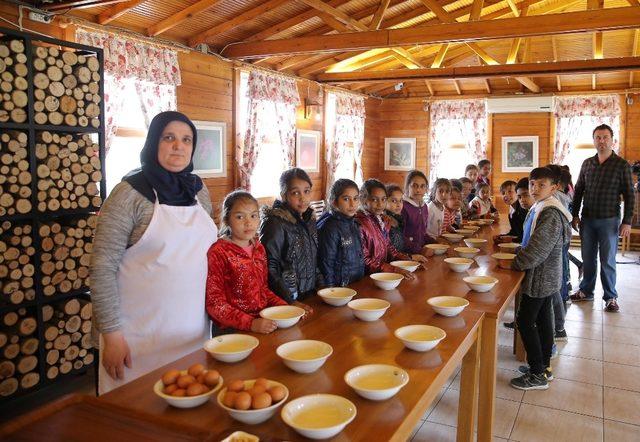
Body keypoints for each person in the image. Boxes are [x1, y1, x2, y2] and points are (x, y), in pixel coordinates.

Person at [91, 111, 218, 394]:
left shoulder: (198, 190)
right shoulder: (128, 194)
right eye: (169, 138)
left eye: (186, 139)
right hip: (138, 337)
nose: (179, 146)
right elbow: (101, 268)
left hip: (192, 331)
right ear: (153, 143)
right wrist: (111, 335)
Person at [510, 167, 571, 391]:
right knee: (545, 321)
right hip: (547, 276)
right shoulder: (542, 206)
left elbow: (537, 250)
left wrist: (515, 262)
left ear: (553, 188)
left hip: (541, 277)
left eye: (541, 185)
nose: (534, 189)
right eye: (531, 184)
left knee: (524, 321)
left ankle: (537, 374)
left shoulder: (551, 213)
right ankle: (544, 367)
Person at [569, 124, 635, 312]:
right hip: (587, 220)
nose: (601, 141)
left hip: (610, 220)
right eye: (598, 137)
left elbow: (630, 195)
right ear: (594, 140)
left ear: (612, 140)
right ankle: (586, 291)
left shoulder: (621, 165)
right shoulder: (587, 163)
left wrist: (627, 221)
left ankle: (611, 297)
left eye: (605, 137)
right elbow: (579, 190)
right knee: (588, 258)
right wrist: (575, 214)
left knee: (607, 260)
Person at [206, 191, 286, 335]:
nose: (248, 222)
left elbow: (263, 290)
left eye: (253, 216)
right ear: (227, 219)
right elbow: (215, 303)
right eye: (239, 217)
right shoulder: (219, 252)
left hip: (262, 322)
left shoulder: (259, 248)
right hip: (232, 329)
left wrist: (285, 308)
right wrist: (250, 323)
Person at [259, 168, 321, 312]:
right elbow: (269, 266)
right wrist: (289, 300)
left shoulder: (309, 220)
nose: (303, 198)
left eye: (306, 191)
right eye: (295, 193)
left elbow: (314, 258)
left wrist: (322, 287)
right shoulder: (274, 223)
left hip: (309, 294)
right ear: (283, 195)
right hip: (286, 300)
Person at [356, 179, 425, 277]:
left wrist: (410, 262)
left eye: (383, 199)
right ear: (363, 200)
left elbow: (389, 248)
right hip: (368, 277)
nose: (380, 204)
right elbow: (364, 260)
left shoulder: (382, 220)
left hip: (382, 275)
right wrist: (394, 269)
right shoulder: (359, 224)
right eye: (374, 199)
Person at [317, 179, 365, 287]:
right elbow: (326, 263)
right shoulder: (330, 227)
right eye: (346, 199)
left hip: (356, 283)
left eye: (355, 198)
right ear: (334, 201)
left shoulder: (354, 223)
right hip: (339, 289)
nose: (352, 204)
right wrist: (331, 291)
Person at [401, 170, 436, 255]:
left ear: (426, 189)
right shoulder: (403, 207)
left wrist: (435, 241)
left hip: (421, 251)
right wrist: (419, 250)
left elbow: (423, 233)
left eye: (422, 186)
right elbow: (400, 237)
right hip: (407, 254)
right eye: (414, 186)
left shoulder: (424, 207)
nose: (418, 190)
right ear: (407, 187)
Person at [495, 177, 532, 244]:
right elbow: (515, 232)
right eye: (503, 193)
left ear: (517, 193)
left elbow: (525, 236)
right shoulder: (511, 210)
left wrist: (512, 240)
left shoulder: (523, 209)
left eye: (510, 191)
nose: (506, 195)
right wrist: (502, 237)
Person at [385, 183, 407, 253]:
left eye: (401, 201)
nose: (398, 204)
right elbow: (387, 251)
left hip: (400, 258)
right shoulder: (384, 222)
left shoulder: (398, 219)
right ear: (384, 201)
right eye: (394, 201)